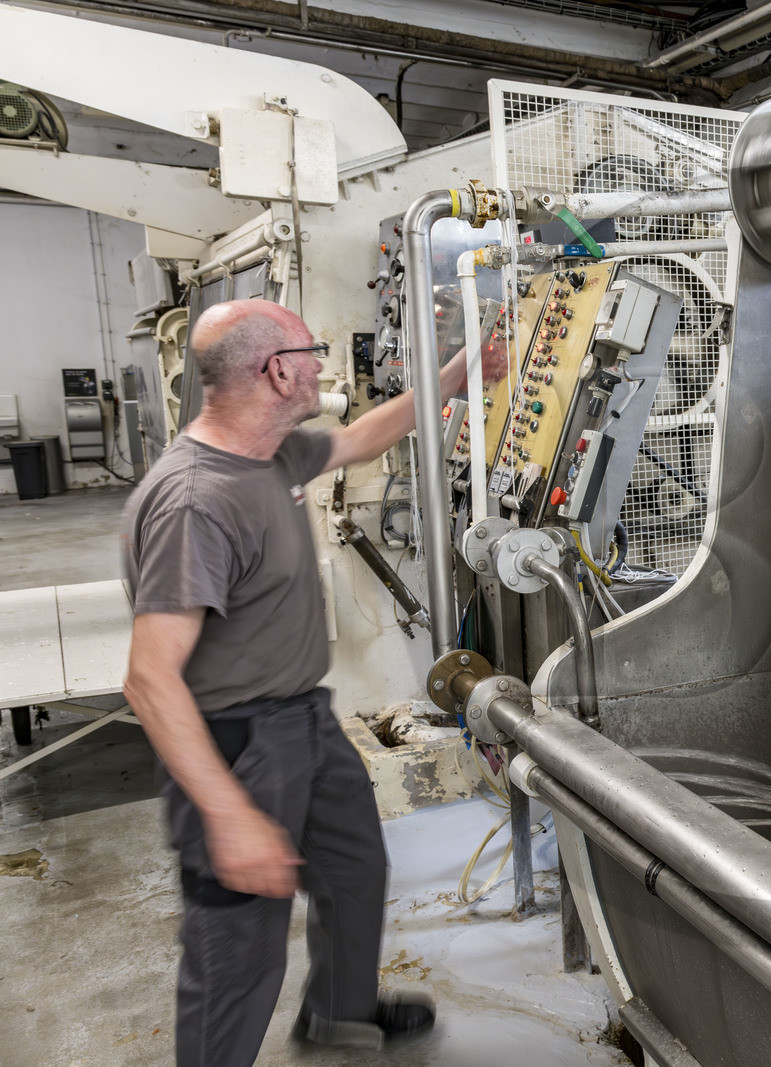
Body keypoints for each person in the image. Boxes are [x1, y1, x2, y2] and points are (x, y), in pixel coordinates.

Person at [121, 298, 499, 1065]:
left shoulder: (273, 455)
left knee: (356, 866)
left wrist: (457, 373)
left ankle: (338, 1012)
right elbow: (150, 679)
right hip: (233, 743)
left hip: (303, 721)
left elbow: (363, 435)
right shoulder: (199, 500)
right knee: (238, 947)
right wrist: (229, 816)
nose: (323, 364)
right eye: (313, 350)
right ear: (278, 369)